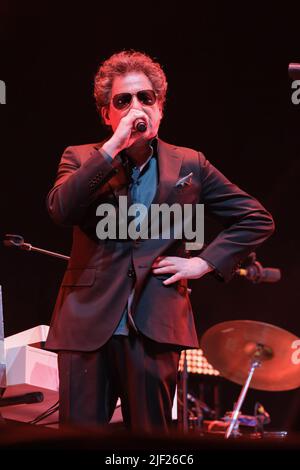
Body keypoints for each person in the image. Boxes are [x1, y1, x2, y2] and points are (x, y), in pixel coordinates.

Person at [45, 50, 274, 433]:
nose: (137, 107)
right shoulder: (82, 157)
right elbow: (60, 209)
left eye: (146, 98)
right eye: (123, 100)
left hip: (155, 326)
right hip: (85, 326)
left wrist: (203, 263)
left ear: (161, 107)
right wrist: (112, 149)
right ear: (107, 114)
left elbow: (256, 218)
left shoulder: (190, 164)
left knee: (153, 444)